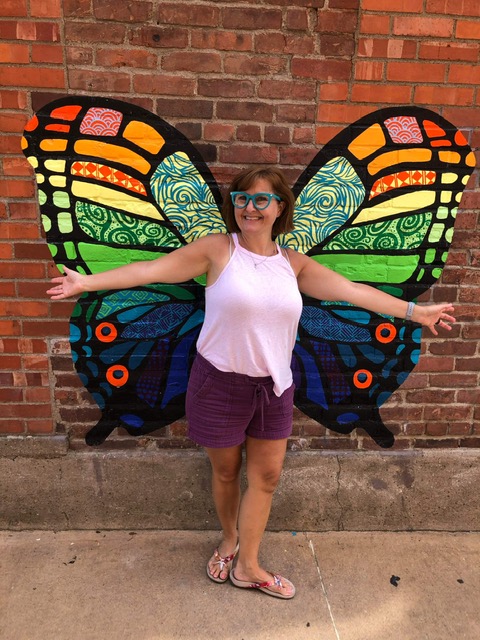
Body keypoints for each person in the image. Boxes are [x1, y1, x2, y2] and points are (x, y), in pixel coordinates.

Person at [47, 167, 455, 600]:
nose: (250, 208)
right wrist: (85, 282)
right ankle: (228, 540)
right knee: (225, 471)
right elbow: (152, 269)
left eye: (262, 200)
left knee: (267, 476)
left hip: (275, 386)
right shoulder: (219, 251)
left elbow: (353, 291)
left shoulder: (292, 264)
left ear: (280, 207)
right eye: (242, 198)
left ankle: (248, 566)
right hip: (219, 383)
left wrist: (416, 313)